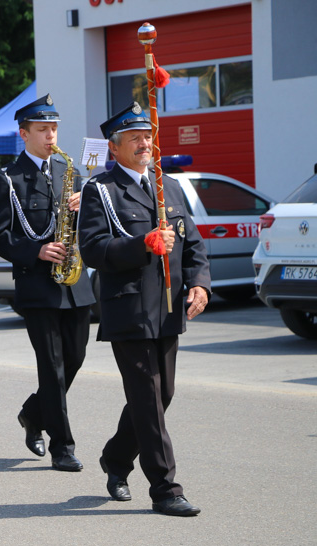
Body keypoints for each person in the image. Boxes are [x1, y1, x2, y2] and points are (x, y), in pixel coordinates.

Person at [77, 102, 211, 516]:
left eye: (147, 136)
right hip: (128, 310)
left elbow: (192, 243)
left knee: (160, 394)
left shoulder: (167, 186)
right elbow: (94, 249)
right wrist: (142, 245)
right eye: (134, 138)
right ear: (114, 149)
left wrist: (200, 284)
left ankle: (116, 459)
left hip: (168, 308)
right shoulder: (99, 190)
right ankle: (166, 489)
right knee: (148, 398)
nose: (144, 143)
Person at [0, 94, 95, 472]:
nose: (51, 136)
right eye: (43, 129)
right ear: (24, 133)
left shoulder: (69, 171)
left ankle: (33, 413)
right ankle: (63, 446)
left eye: (54, 129)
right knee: (52, 367)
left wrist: (86, 209)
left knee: (75, 358)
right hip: (38, 286)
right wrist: (35, 251)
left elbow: (88, 228)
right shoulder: (8, 178)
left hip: (75, 284)